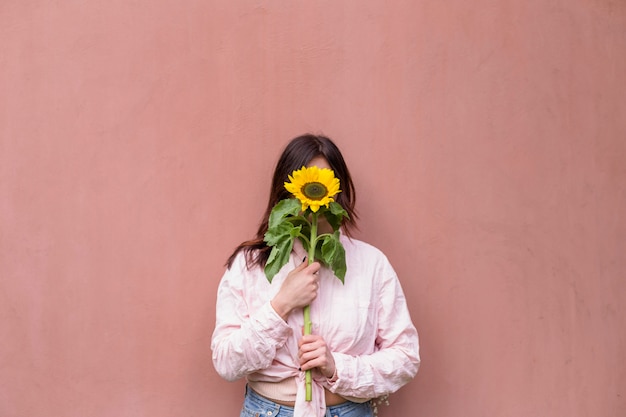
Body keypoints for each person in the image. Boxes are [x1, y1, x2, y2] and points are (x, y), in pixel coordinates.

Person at [211, 134, 420, 417]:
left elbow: (405, 358)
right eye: (309, 183)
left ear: (339, 191)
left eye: (326, 183)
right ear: (287, 190)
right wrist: (281, 305)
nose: (317, 192)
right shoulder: (250, 266)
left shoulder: (372, 265)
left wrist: (338, 367)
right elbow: (226, 363)